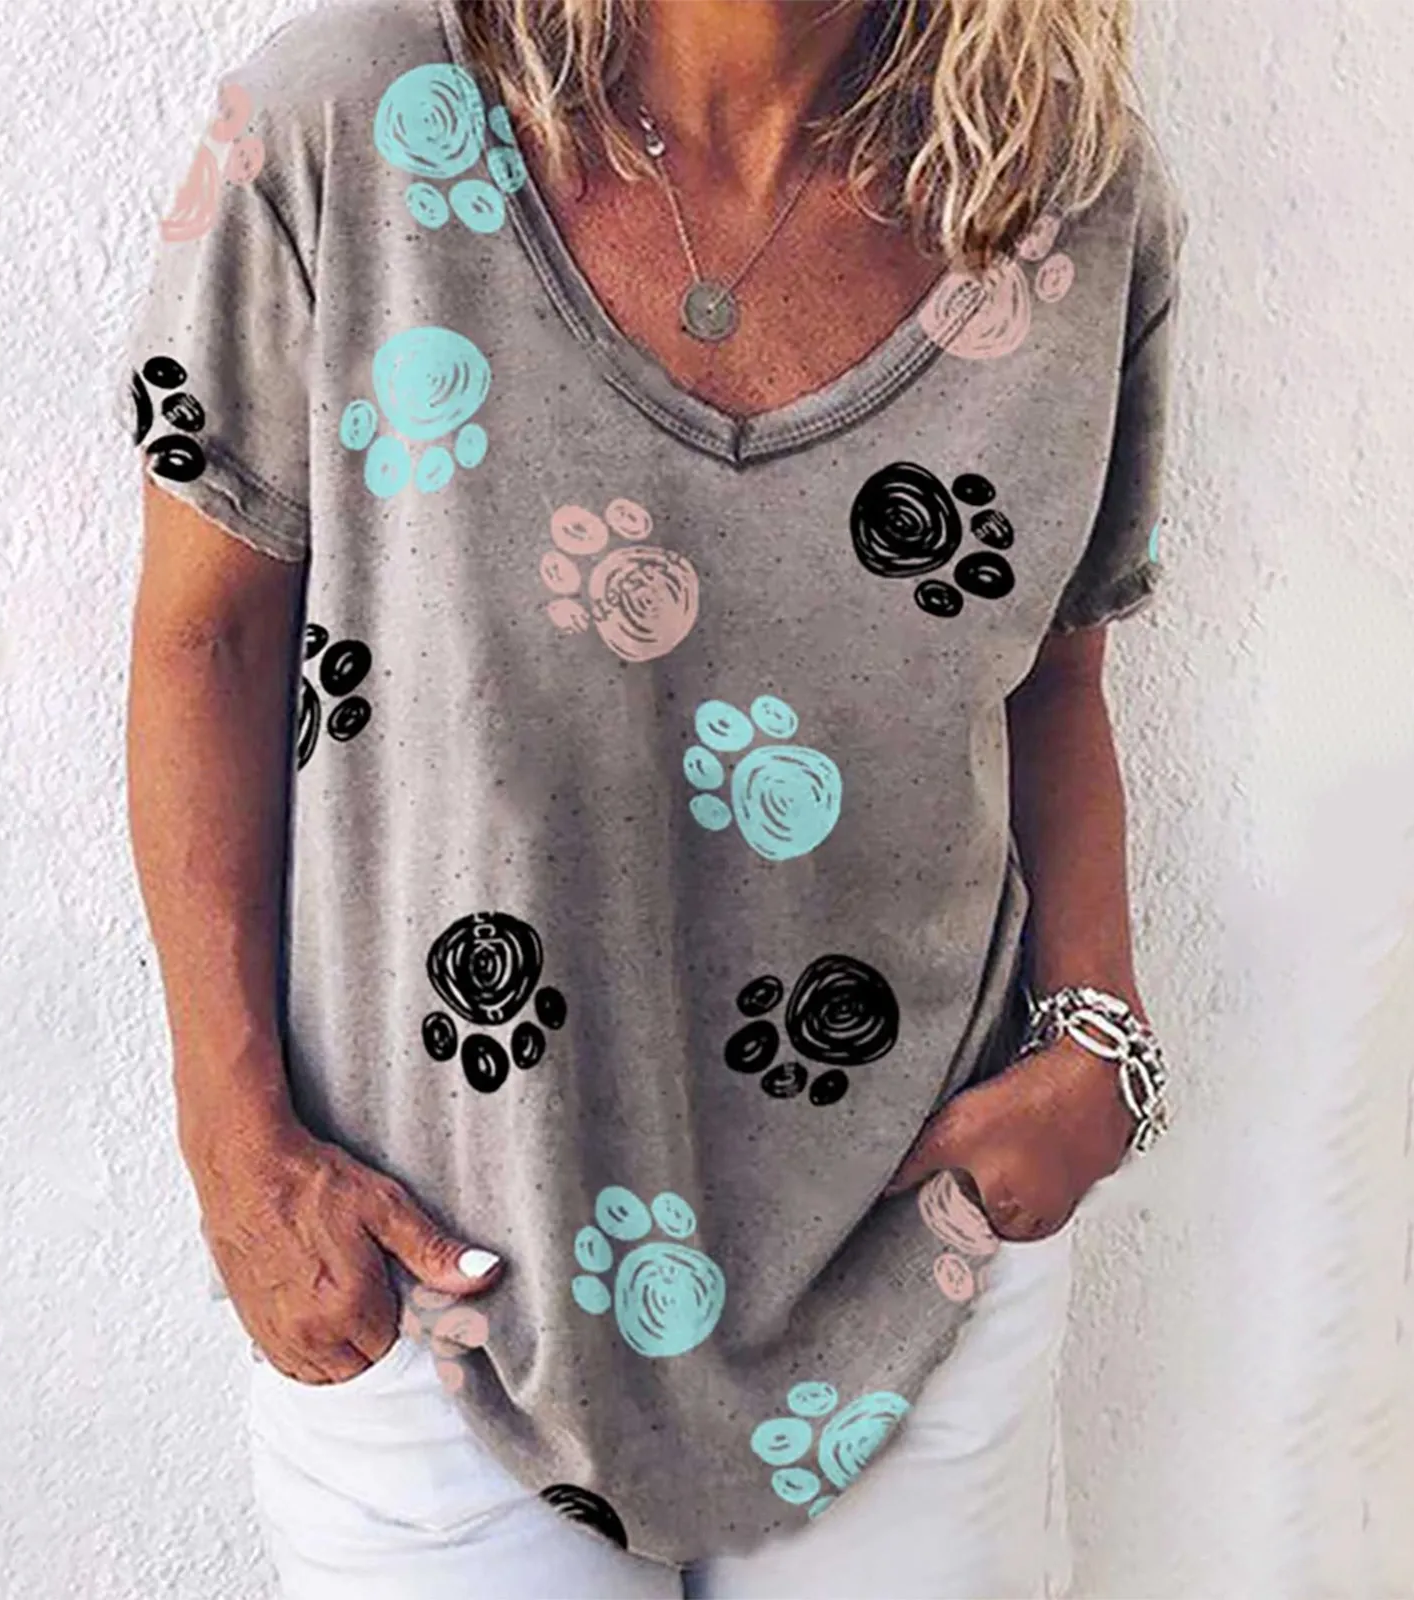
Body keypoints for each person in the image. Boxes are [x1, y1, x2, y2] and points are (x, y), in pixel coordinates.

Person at [121, 0, 1184, 1593]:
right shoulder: (349, 122)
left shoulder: (1068, 195)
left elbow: (1055, 675)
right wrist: (235, 1142)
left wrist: (1098, 1043)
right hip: (436, 1270)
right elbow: (205, 640)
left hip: (916, 1252)